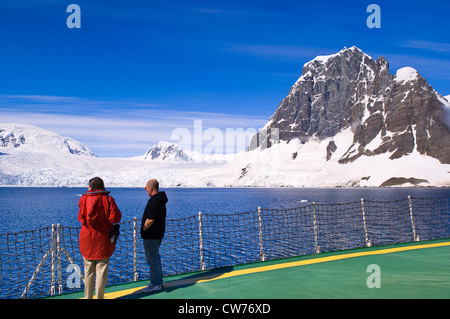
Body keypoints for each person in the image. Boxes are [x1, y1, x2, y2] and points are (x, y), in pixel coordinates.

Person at [78, 177, 122, 299]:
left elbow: (81, 217)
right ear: (102, 186)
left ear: (91, 187)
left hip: (87, 240)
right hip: (103, 240)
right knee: (101, 272)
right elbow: (116, 218)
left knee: (88, 272)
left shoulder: (83, 199)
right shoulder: (108, 199)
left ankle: (87, 297)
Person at [140, 179, 168, 293]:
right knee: (155, 257)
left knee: (152, 259)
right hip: (158, 234)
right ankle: (158, 281)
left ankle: (155, 284)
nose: (146, 190)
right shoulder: (160, 200)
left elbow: (150, 219)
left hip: (151, 235)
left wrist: (143, 229)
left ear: (151, 188)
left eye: (147, 188)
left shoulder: (154, 201)